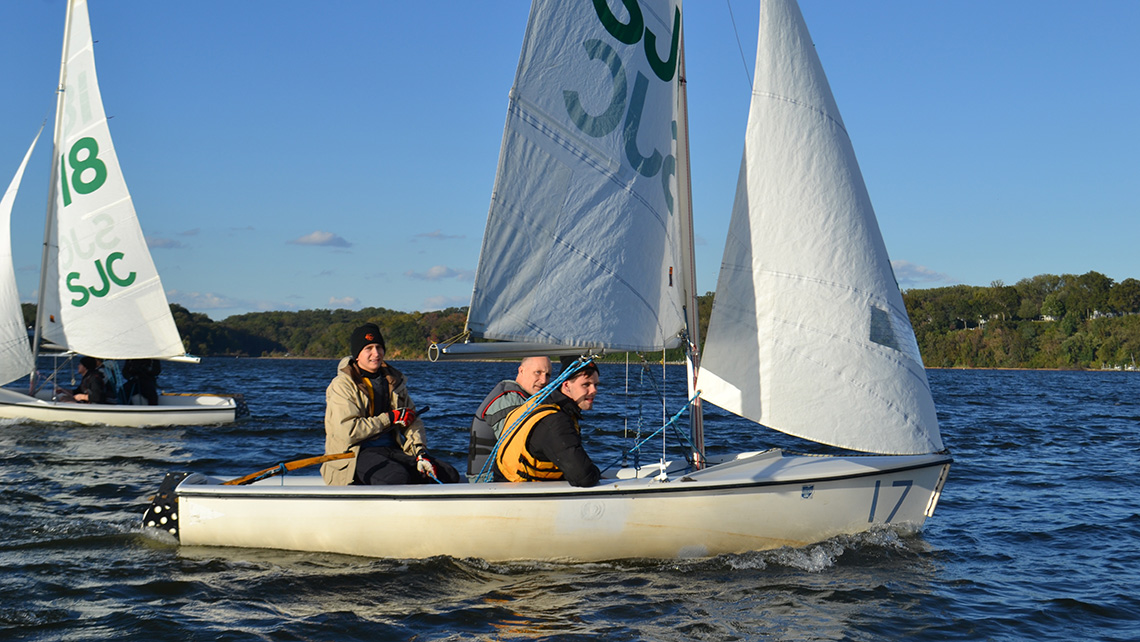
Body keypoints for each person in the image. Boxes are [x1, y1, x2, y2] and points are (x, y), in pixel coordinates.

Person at [322, 323, 459, 485]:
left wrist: (420, 452)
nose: (376, 353)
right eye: (369, 348)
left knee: (448, 474)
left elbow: (412, 421)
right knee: (397, 478)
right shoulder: (342, 385)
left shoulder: (394, 381)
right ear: (357, 355)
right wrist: (390, 418)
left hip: (392, 449)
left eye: (379, 347)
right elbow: (347, 431)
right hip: (355, 455)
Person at [493, 359, 601, 487]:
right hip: (519, 495)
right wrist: (596, 475)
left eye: (596, 385)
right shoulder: (555, 421)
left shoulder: (541, 404)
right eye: (586, 385)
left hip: (509, 485)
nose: (594, 390)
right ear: (566, 386)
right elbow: (583, 477)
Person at [467, 356, 552, 481]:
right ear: (521, 370)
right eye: (537, 372)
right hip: (488, 479)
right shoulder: (509, 400)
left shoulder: (525, 399)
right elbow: (518, 446)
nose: (544, 380)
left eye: (548, 375)